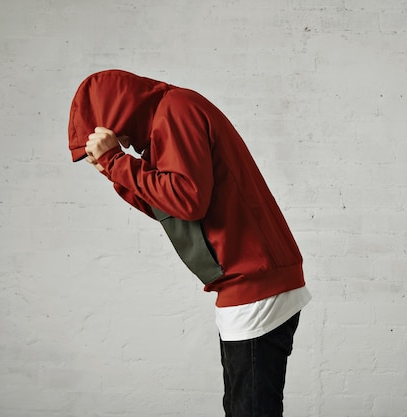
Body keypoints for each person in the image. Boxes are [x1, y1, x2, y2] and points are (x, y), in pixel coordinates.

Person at [67, 69, 311, 416]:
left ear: (114, 115)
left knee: (251, 411)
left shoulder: (176, 110)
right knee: (243, 408)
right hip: (245, 281)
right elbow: (172, 208)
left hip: (255, 282)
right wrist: (114, 171)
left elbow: (188, 200)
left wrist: (116, 162)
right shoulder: (162, 126)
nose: (119, 142)